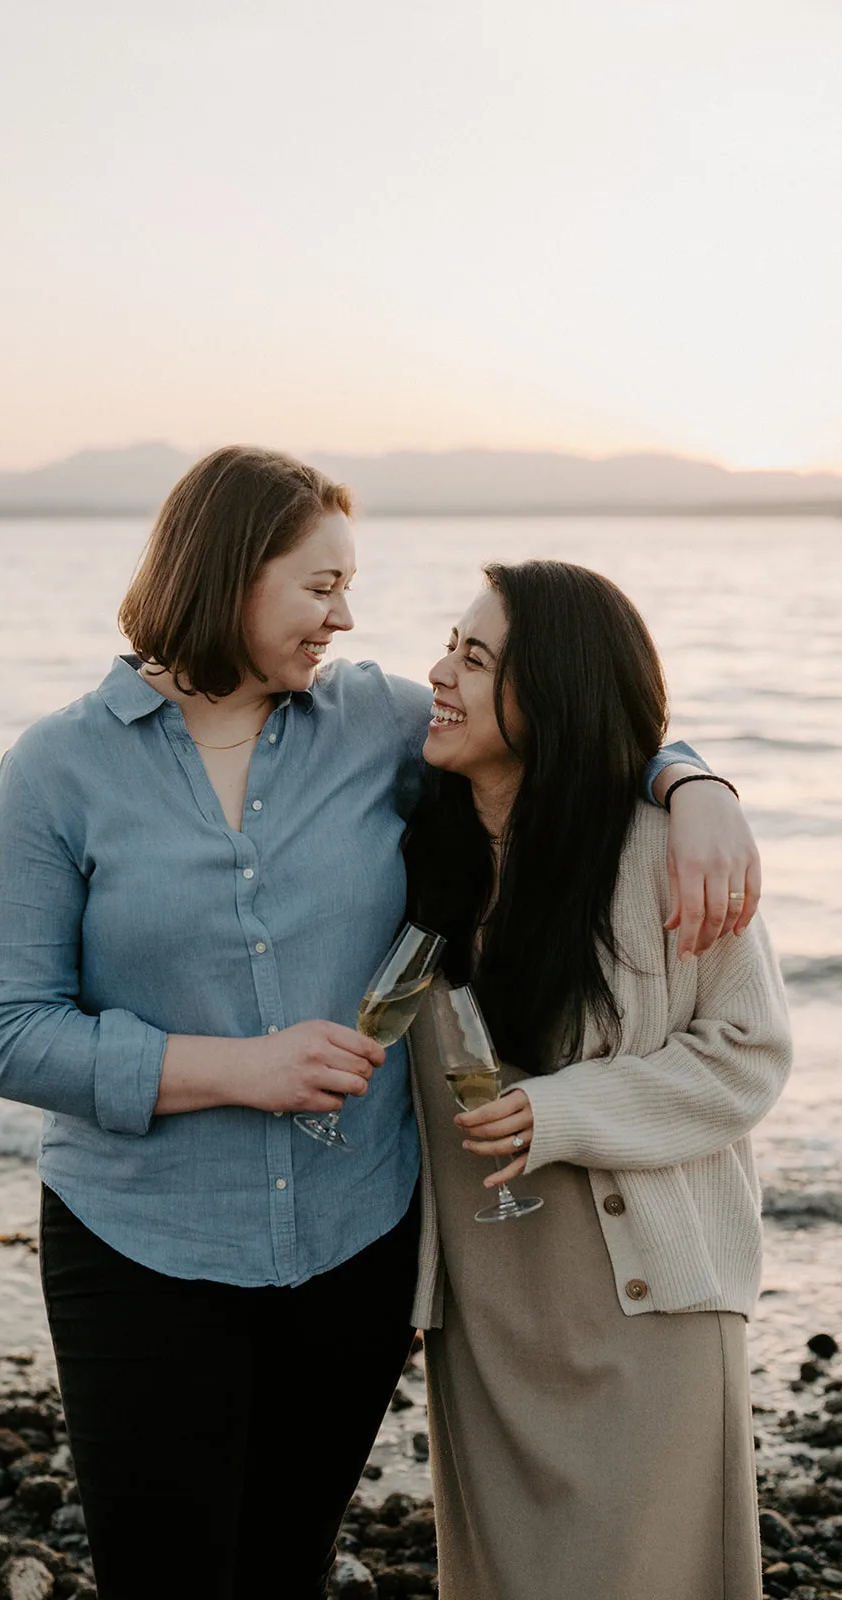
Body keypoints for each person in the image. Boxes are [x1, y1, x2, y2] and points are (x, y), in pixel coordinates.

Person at [0, 448, 759, 1600]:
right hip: (139, 1249)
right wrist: (238, 1067)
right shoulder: (58, 768)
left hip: (354, 1250)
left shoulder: (375, 724)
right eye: (320, 585)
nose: (348, 614)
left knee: (286, 1567)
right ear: (233, 574)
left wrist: (693, 785)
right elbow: (6, 1031)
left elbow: (561, 720)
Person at [404, 559, 791, 1600]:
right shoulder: (416, 839)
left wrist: (565, 1112)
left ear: (554, 695)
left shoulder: (669, 850)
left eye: (475, 658)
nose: (439, 671)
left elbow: (748, 1053)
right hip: (488, 1301)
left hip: (646, 1298)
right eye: (450, 642)